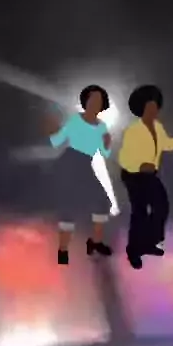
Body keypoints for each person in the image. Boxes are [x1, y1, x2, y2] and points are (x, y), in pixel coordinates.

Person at [118, 84, 173, 269]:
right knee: (140, 211)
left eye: (155, 106)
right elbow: (124, 157)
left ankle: (150, 242)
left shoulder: (158, 127)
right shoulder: (134, 130)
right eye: (150, 107)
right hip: (133, 174)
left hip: (149, 175)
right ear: (142, 108)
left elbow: (166, 144)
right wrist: (139, 165)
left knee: (161, 206)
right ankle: (134, 250)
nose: (154, 110)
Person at [48, 84, 113, 265]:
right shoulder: (75, 121)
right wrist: (53, 128)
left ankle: (95, 244)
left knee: (102, 202)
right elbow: (57, 141)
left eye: (99, 101)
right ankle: (63, 250)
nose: (95, 104)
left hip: (86, 164)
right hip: (69, 162)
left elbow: (104, 153)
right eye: (93, 100)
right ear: (86, 102)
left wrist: (107, 143)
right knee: (68, 207)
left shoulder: (102, 126)